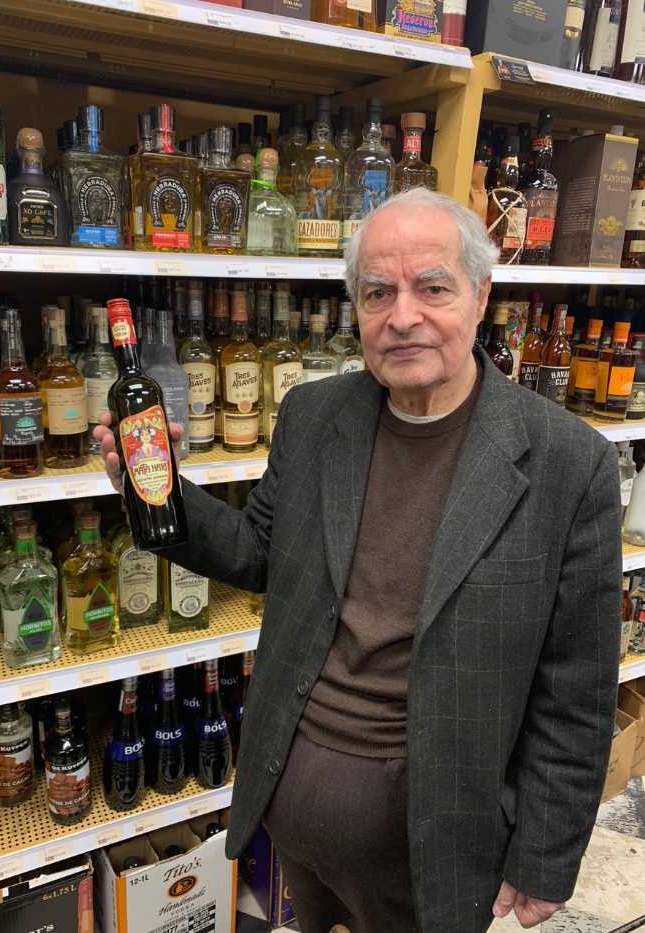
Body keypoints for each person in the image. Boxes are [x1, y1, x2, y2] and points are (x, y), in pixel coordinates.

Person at [95, 188, 622, 933]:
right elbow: (257, 552)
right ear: (357, 309)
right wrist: (156, 492)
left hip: (434, 851)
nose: (402, 316)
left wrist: (544, 855)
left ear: (481, 296)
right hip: (291, 820)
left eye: (432, 288)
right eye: (378, 293)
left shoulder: (571, 465)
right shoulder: (314, 416)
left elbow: (576, 692)